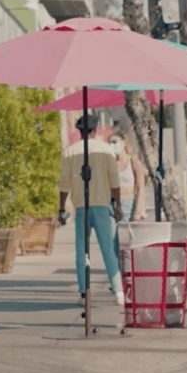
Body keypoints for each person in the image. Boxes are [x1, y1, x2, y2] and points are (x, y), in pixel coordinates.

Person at [58, 120, 124, 304]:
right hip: (102, 205)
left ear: (79, 131)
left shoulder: (70, 152)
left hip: (81, 207)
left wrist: (61, 207)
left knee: (81, 250)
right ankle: (118, 289)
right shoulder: (106, 150)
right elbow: (114, 179)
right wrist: (117, 203)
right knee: (108, 249)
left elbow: (64, 182)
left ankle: (83, 292)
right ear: (94, 130)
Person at [111, 128, 146, 222]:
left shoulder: (133, 161)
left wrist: (138, 212)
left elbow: (140, 188)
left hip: (130, 205)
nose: (112, 145)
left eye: (114, 142)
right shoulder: (111, 164)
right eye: (110, 143)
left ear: (123, 143)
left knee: (128, 235)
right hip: (113, 206)